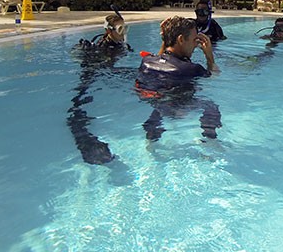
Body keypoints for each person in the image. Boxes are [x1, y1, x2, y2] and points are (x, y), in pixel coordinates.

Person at [136, 16, 221, 140]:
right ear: (181, 40)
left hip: (152, 99)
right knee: (211, 106)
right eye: (194, 40)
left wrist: (166, 38)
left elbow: (161, 59)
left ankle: (151, 136)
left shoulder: (146, 61)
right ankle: (210, 139)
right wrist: (209, 55)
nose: (196, 45)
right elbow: (215, 75)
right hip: (180, 106)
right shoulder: (191, 69)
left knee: (160, 105)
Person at [68, 10, 132, 164]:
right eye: (120, 29)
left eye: (126, 29)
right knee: (79, 104)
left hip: (102, 76)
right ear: (108, 30)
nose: (124, 34)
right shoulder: (105, 48)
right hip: (94, 75)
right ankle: (87, 144)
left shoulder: (121, 45)